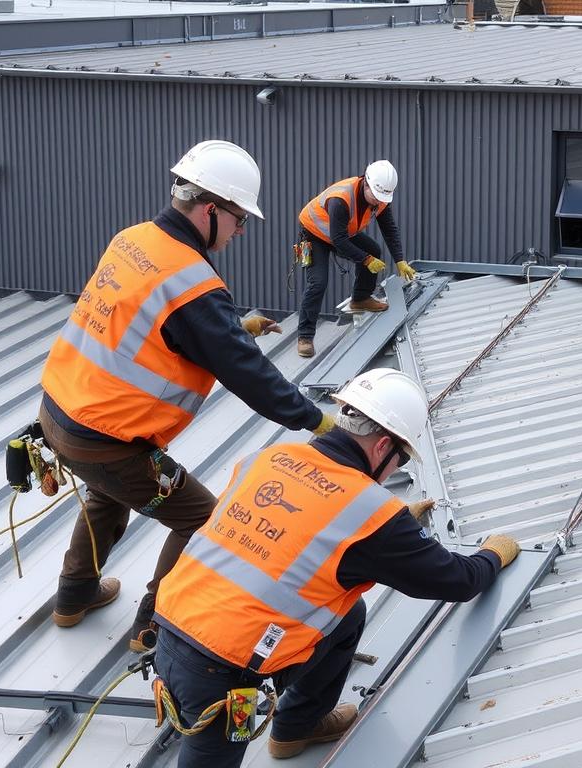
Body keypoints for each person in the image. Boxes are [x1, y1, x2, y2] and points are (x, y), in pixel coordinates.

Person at [38, 140, 336, 652]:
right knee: (203, 519)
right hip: (107, 440)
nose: (241, 230)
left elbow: (139, 323)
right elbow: (247, 374)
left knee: (106, 494)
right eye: (239, 219)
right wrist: (315, 421)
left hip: (57, 414)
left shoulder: (134, 239)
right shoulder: (193, 285)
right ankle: (152, 627)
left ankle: (73, 597)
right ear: (209, 209)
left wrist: (230, 327)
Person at [152, 368, 520, 766]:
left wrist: (393, 530)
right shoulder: (373, 516)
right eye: (399, 460)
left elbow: (288, 529)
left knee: (347, 613)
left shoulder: (272, 457)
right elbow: (456, 580)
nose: (394, 470)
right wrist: (492, 555)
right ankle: (289, 728)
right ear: (382, 447)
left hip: (169, 626)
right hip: (219, 678)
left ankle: (297, 727)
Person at [295, 160, 417, 358]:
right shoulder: (341, 199)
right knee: (318, 282)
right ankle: (305, 336)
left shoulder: (381, 197)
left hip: (341, 232)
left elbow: (389, 229)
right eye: (375, 197)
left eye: (382, 198)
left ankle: (360, 298)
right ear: (366, 183)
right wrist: (366, 260)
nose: (378, 202)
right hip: (314, 234)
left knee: (373, 249)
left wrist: (399, 260)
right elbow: (339, 241)